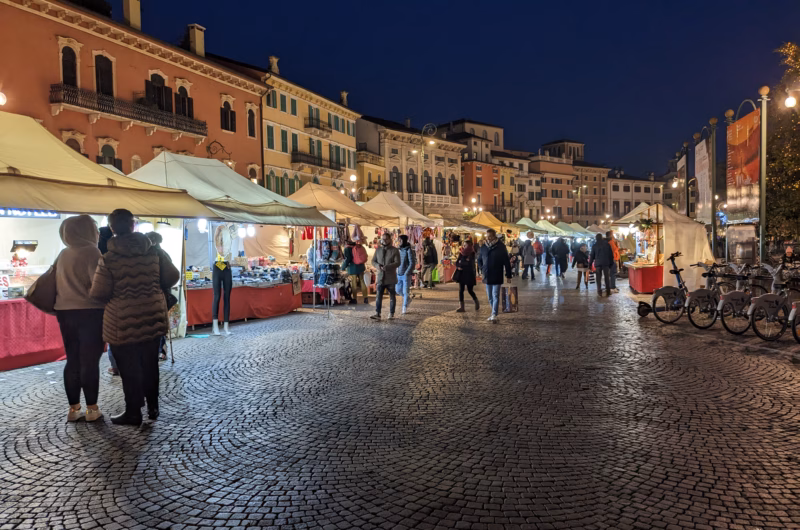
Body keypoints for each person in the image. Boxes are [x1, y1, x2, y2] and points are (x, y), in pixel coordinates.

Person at [90, 209, 180, 426]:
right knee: (150, 364)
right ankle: (153, 408)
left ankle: (133, 412)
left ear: (112, 229)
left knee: (129, 368)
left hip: (123, 322)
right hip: (152, 316)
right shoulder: (153, 252)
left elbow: (99, 293)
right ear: (133, 225)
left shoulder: (108, 259)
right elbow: (173, 276)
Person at [55, 215, 106, 423]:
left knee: (72, 359)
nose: (97, 232)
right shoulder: (92, 252)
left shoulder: (63, 254)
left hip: (65, 312)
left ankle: (73, 409)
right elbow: (99, 285)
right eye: (94, 228)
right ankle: (92, 409)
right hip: (90, 312)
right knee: (90, 361)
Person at [477, 228, 512, 321]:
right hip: (487, 274)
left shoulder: (501, 247)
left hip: (497, 274)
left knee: (495, 295)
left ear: (494, 236)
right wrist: (482, 268)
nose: (488, 238)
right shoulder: (483, 247)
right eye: (487, 236)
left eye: (490, 236)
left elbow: (506, 262)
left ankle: (494, 314)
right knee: (490, 297)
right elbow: (479, 259)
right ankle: (494, 311)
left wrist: (509, 275)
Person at [98, 226, 119, 376]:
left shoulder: (101, 257)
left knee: (114, 335)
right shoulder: (121, 254)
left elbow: (98, 289)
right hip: (129, 304)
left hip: (110, 303)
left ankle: (116, 366)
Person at [370, 232, 400, 321]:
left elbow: (397, 262)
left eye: (386, 239)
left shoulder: (395, 250)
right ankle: (378, 313)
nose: (384, 240)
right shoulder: (378, 250)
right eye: (383, 238)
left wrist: (388, 267)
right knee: (378, 295)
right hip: (380, 277)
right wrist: (377, 266)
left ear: (390, 239)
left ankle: (391, 313)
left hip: (390, 277)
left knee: (392, 296)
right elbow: (373, 261)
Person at [455, 239, 480, 312]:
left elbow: (470, 264)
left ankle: (476, 301)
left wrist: (462, 263)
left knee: (470, 290)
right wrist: (459, 265)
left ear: (469, 246)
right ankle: (461, 307)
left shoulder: (472, 253)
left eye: (465, 245)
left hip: (469, 274)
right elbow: (457, 262)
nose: (464, 246)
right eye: (463, 245)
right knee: (461, 290)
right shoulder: (461, 253)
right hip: (462, 274)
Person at [342, 238, 369, 305]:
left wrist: (342, 267)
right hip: (361, 266)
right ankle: (365, 298)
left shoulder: (347, 249)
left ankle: (354, 299)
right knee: (362, 281)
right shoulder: (359, 247)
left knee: (353, 283)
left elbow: (347, 259)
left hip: (352, 268)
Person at [396, 234, 416, 314]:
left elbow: (412, 263)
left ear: (404, 241)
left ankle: (404, 306)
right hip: (398, 274)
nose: (399, 242)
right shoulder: (398, 250)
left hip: (405, 275)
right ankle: (407, 299)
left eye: (400, 240)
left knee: (405, 291)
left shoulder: (408, 250)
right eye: (398, 240)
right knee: (397, 290)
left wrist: (407, 273)